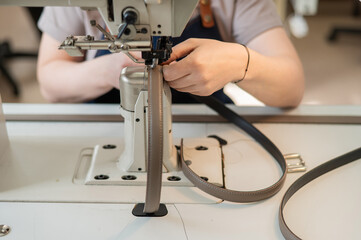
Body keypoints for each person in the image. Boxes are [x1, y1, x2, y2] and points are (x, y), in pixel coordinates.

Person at [37, 0, 304, 107]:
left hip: (206, 129)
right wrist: (109, 70)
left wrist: (241, 62)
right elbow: (50, 81)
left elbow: (291, 86)